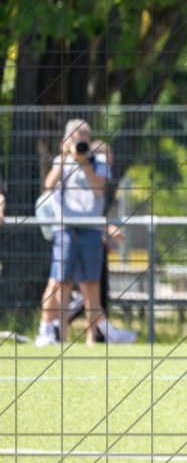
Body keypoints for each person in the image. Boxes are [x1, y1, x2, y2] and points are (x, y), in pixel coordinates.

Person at [36, 119, 113, 346]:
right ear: (68, 139)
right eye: (77, 137)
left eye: (85, 137)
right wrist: (64, 158)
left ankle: (92, 339)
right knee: (63, 283)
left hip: (91, 231)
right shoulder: (62, 161)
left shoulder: (98, 161)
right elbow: (49, 186)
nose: (82, 141)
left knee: (91, 286)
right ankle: (62, 338)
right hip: (66, 231)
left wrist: (84, 163)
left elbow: (99, 189)